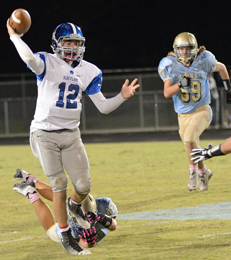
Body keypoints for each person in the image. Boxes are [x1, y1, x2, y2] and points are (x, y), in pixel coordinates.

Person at [6, 21, 139, 255]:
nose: (72, 47)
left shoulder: (90, 70)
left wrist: (122, 96)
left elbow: (103, 106)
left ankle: (74, 207)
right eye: (67, 42)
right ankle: (66, 236)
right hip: (44, 132)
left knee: (84, 186)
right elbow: (28, 59)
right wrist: (15, 37)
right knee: (59, 185)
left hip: (71, 134)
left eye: (76, 43)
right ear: (57, 43)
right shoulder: (47, 61)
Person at [158, 32, 231, 192]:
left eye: (188, 48)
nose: (184, 52)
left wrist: (228, 88)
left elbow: (222, 68)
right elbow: (167, 92)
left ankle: (192, 171)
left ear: (195, 48)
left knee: (189, 138)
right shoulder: (169, 64)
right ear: (175, 50)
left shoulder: (204, 59)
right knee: (191, 144)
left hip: (202, 110)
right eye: (181, 49)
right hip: (182, 114)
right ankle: (204, 171)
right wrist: (181, 84)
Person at [13, 169, 118, 250]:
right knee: (51, 230)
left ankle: (31, 180)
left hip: (73, 211)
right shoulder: (100, 209)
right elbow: (82, 244)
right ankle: (32, 194)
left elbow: (113, 224)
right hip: (72, 223)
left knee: (60, 200)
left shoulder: (100, 205)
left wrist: (101, 218)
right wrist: (90, 241)